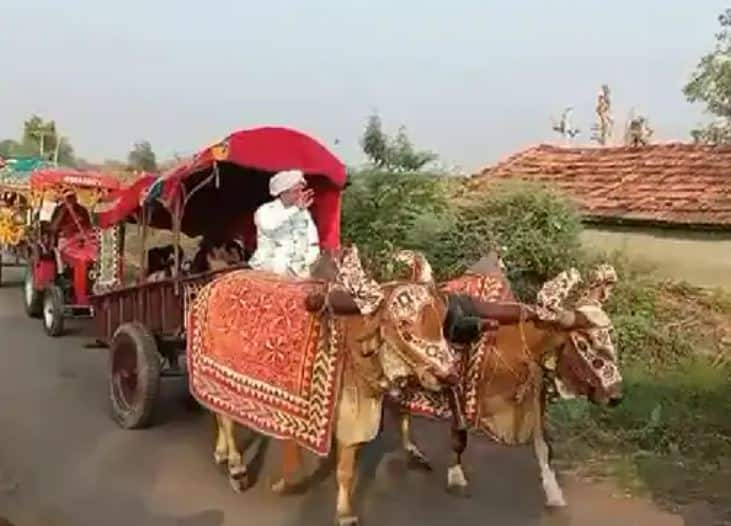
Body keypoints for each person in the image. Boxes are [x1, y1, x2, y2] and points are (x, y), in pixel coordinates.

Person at [248, 169, 319, 278]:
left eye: (301, 190)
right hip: (269, 270)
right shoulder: (266, 210)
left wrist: (308, 262)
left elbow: (312, 241)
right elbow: (269, 227)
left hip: (299, 273)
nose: (300, 195)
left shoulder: (303, 213)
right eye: (296, 191)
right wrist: (295, 209)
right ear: (283, 192)